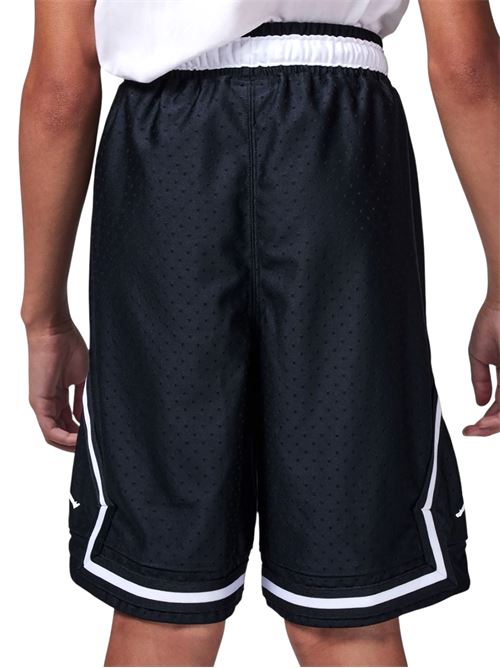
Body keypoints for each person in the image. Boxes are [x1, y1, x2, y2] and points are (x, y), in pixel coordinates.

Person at [19, 0, 498, 666]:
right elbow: (468, 65)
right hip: (339, 153)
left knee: (163, 603)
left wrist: (44, 315)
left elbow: (59, 90)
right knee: (348, 607)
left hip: (168, 163)